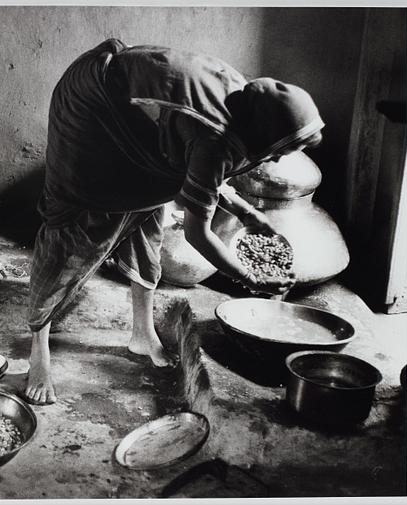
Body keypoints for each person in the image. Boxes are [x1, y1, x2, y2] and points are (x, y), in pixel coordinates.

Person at [24, 39, 325, 405]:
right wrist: (250, 278)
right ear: (268, 132)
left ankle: (142, 332)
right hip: (93, 106)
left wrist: (249, 215)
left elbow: (198, 170)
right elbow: (199, 232)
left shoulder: (247, 102)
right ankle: (37, 351)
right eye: (284, 148)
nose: (277, 160)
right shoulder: (218, 137)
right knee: (76, 232)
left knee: (149, 208)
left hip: (135, 118)